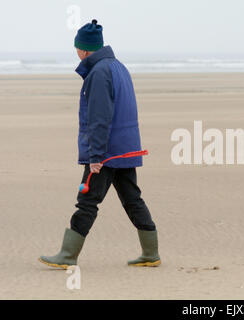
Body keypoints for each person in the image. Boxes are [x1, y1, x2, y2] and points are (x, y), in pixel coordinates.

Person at [39, 19, 160, 268]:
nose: (77, 53)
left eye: (77, 48)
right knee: (132, 198)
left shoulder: (98, 73)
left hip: (106, 152)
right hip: (125, 148)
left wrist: (95, 156)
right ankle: (151, 253)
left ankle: (67, 255)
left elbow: (99, 118)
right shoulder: (118, 67)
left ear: (84, 49)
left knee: (87, 200)